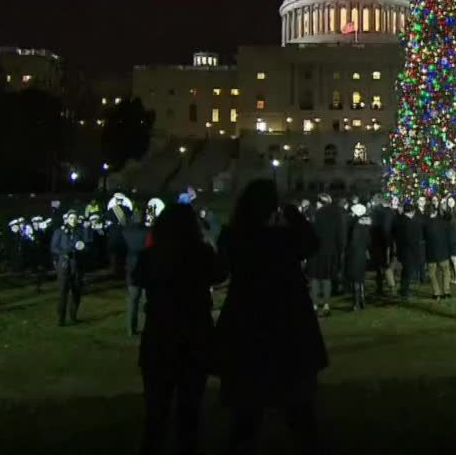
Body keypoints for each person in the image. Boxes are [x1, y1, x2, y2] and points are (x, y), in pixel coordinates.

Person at [215, 180, 325, 455]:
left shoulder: (234, 238)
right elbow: (311, 242)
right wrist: (290, 211)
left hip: (246, 325)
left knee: (246, 414)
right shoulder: (279, 240)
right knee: (298, 411)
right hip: (286, 325)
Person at [134, 203, 226, 455]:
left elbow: (137, 278)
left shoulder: (151, 255)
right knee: (189, 412)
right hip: (193, 334)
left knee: (156, 414)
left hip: (160, 335)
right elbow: (220, 273)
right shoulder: (201, 253)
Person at [50, 210, 92, 326]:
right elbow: (53, 247)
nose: (73, 220)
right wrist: (64, 252)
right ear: (67, 219)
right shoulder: (60, 231)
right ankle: (61, 318)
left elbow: (87, 246)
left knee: (76, 292)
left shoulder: (80, 231)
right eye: (71, 218)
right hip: (64, 265)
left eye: (75, 218)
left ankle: (73, 315)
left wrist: (83, 248)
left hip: (77, 265)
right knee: (63, 292)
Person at [307, 195, 342, 317]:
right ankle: (326, 305)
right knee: (327, 278)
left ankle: (315, 305)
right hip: (330, 251)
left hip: (315, 251)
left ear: (320, 202)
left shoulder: (315, 214)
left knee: (315, 279)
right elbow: (340, 235)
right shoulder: (336, 214)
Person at [124, 209, 153, 337]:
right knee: (148, 301)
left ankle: (131, 329)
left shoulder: (126, 231)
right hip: (146, 266)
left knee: (132, 300)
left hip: (131, 266)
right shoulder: (148, 231)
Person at [423, 199, 453, 300]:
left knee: (432, 273)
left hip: (431, 252)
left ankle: (437, 293)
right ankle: (447, 291)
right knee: (446, 271)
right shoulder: (442, 221)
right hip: (443, 251)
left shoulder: (425, 223)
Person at [344, 203, 372, 311]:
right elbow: (369, 241)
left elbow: (353, 242)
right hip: (363, 253)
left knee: (355, 278)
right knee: (361, 278)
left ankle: (356, 302)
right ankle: (362, 300)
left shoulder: (355, 226)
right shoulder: (366, 226)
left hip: (355, 254)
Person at [395, 202, 423, 300]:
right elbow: (414, 238)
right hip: (410, 251)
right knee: (408, 272)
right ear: (412, 211)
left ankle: (403, 289)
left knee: (405, 271)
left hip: (402, 250)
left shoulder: (399, 221)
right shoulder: (411, 223)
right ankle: (405, 291)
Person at [370, 196, 397, 296]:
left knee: (379, 266)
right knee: (387, 264)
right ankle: (391, 285)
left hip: (376, 242)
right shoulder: (390, 213)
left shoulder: (374, 213)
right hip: (387, 241)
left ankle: (380, 286)